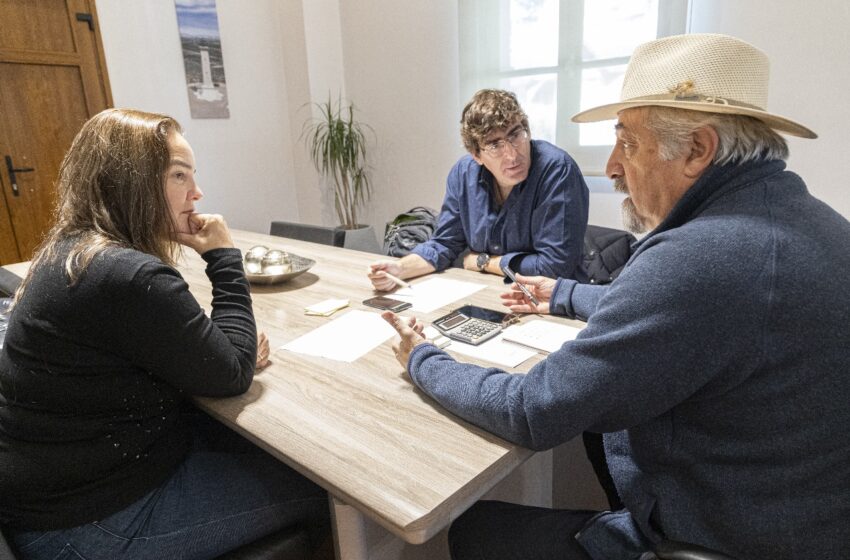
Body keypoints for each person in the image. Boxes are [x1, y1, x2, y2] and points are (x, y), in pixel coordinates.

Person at [382, 34, 850, 560]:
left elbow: (533, 409)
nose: (610, 166)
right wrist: (565, 293)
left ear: (698, 149)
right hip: (797, 516)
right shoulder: (811, 223)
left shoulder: (700, 254)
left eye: (627, 143)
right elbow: (690, 312)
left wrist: (422, 358)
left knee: (474, 528)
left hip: (718, 536)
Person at [0, 109, 330, 559]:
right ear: (130, 181)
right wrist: (224, 256)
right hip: (88, 525)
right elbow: (233, 372)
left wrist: (217, 352)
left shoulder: (74, 251)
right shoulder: (126, 274)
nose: (197, 192)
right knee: (324, 489)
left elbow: (191, 351)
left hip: (62, 494)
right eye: (179, 175)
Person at [368, 89, 589, 291]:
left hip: (550, 301)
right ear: (476, 155)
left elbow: (554, 267)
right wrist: (399, 269)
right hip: (486, 293)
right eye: (494, 145)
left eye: (515, 135)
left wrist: (484, 262)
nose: (512, 155)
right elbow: (445, 244)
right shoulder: (464, 174)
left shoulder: (557, 170)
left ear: (527, 131)